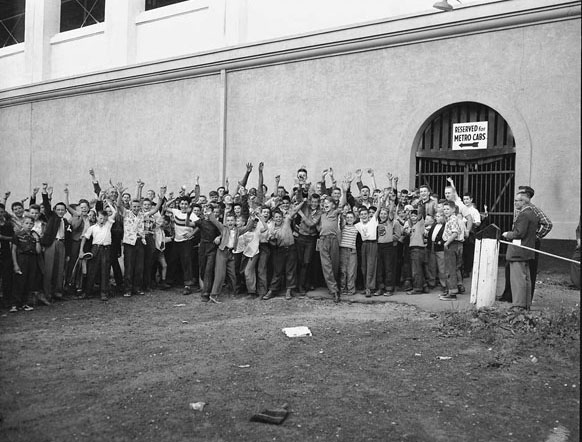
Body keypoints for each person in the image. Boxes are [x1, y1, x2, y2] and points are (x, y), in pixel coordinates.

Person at [502, 192, 539, 310]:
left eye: (517, 201)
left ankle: (518, 304)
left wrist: (507, 234)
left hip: (518, 251)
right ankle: (526, 303)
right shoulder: (533, 213)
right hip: (527, 250)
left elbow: (519, 233)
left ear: (523, 202)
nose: (515, 203)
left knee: (518, 279)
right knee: (526, 278)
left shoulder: (523, 215)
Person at [263, 201, 304, 301]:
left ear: (282, 217)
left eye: (279, 217)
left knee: (290, 270)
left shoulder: (287, 221)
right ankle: (272, 290)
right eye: (276, 217)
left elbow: (295, 210)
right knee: (277, 271)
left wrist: (303, 202)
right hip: (279, 250)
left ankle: (289, 290)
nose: (278, 219)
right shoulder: (271, 227)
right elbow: (269, 239)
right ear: (273, 218)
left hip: (291, 249)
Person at [79, 201, 117, 301]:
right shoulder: (92, 228)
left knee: (105, 271)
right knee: (92, 270)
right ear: (97, 217)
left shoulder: (108, 224)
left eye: (104, 219)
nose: (102, 220)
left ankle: (104, 293)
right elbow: (85, 238)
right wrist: (81, 250)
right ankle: (87, 292)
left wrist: (109, 203)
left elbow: (114, 212)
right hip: (95, 249)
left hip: (106, 249)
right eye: (100, 218)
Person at [40, 183, 71, 302]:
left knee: (59, 270)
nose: (60, 211)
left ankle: (58, 292)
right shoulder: (52, 217)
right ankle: (48, 294)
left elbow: (68, 239)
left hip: (61, 244)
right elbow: (47, 207)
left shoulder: (66, 222)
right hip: (51, 244)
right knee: (49, 270)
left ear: (65, 211)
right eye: (58, 209)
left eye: (62, 210)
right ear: (54, 210)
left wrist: (67, 253)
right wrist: (45, 192)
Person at [318, 181, 348, 302]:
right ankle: (334, 290)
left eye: (328, 203)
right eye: (324, 203)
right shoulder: (321, 214)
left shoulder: (335, 213)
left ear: (332, 205)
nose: (325, 204)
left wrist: (344, 191)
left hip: (333, 240)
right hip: (323, 240)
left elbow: (342, 203)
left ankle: (335, 285)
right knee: (326, 266)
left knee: (334, 265)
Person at [10, 215, 41, 312]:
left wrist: (37, 240)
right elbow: (13, 250)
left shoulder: (34, 235)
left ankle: (25, 303)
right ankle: (15, 304)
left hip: (32, 259)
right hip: (21, 259)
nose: (29, 225)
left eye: (31, 223)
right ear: (22, 224)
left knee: (29, 281)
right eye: (26, 223)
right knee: (19, 281)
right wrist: (15, 264)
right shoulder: (17, 235)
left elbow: (38, 251)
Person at [440, 201, 462, 301]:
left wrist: (446, 243)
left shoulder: (453, 219)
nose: (445, 211)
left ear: (453, 209)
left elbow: (455, 233)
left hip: (452, 245)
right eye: (444, 209)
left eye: (448, 209)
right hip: (451, 244)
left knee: (450, 269)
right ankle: (450, 290)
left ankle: (452, 293)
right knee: (449, 268)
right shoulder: (449, 219)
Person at [339, 210, 358, 298]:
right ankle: (343, 288)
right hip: (343, 250)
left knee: (351, 271)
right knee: (343, 270)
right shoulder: (343, 227)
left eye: (351, 217)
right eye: (348, 217)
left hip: (352, 250)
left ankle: (351, 289)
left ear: (354, 219)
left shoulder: (357, 227)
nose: (349, 219)